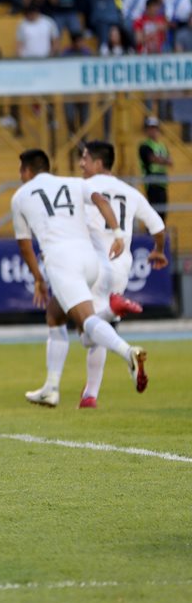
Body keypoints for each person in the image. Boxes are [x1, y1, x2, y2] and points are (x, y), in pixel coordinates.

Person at [10, 149, 148, 409]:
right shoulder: (74, 182)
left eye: (21, 171)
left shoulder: (20, 197)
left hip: (62, 261)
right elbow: (101, 201)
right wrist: (118, 234)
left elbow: (25, 246)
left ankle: (127, 352)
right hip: (89, 259)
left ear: (27, 170)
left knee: (86, 322)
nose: (20, 176)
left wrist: (38, 278)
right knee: (55, 315)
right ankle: (50, 388)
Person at [71, 142, 167, 408]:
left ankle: (113, 315)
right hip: (121, 268)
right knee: (98, 333)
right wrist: (158, 250)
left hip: (91, 265)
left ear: (99, 163)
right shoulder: (130, 192)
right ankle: (90, 395)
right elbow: (157, 226)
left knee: (87, 331)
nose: (81, 164)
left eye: (85, 158)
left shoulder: (83, 189)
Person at [138, 116, 171, 216]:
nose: (153, 131)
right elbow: (152, 158)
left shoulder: (162, 145)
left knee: (162, 213)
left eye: (154, 128)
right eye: (150, 128)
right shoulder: (144, 146)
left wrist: (160, 160)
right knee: (153, 214)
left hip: (162, 183)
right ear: (146, 130)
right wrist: (163, 160)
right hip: (151, 183)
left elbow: (170, 162)